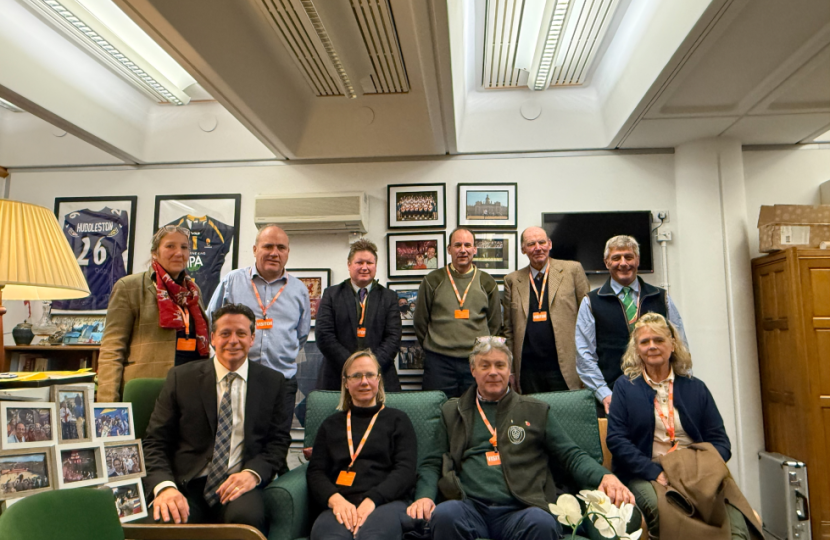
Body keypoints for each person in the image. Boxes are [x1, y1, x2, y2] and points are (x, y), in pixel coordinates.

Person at [406, 337, 634, 540]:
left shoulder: (535, 410)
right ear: (473, 370)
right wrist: (424, 496)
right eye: (485, 365)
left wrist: (605, 477)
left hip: (521, 508)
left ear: (509, 371)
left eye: (500, 365)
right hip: (470, 506)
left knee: (542, 523)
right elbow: (432, 463)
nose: (493, 372)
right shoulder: (452, 411)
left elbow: (571, 455)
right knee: (444, 515)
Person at [606, 313, 760, 539]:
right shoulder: (624, 387)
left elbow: (720, 442)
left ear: (673, 345)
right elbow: (617, 440)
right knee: (663, 515)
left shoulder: (696, 388)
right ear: (636, 349)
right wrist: (654, 472)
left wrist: (703, 471)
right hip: (649, 472)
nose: (652, 347)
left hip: (700, 472)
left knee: (736, 526)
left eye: (659, 340)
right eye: (645, 342)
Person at [142, 303, 292, 535]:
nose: (233, 340)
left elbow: (278, 442)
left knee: (246, 522)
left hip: (239, 483)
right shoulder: (181, 378)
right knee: (167, 521)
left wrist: (252, 474)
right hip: (186, 483)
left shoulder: (273, 383)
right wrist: (164, 487)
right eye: (225, 333)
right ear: (212, 338)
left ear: (252, 338)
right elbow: (155, 442)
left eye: (241, 333)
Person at [207, 224, 310, 435]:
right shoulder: (232, 282)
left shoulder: (299, 290)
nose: (274, 253)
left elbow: (301, 335)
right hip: (238, 378)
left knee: (277, 442)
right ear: (255, 250)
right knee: (237, 440)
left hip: (282, 381)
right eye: (268, 246)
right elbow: (211, 322)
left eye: (281, 247)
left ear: (287, 253)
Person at [306, 350, 417, 540]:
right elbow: (315, 472)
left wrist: (373, 499)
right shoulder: (330, 425)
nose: (364, 381)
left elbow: (405, 471)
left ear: (379, 379)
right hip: (341, 504)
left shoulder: (398, 420)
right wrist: (335, 500)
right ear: (346, 383)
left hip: (385, 503)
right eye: (356, 376)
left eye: (370, 375)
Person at [576, 235, 688, 415]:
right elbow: (584, 356)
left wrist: (683, 386)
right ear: (606, 262)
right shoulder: (591, 302)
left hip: (662, 395)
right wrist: (604, 394)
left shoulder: (661, 297)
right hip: (613, 398)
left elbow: (680, 345)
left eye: (628, 257)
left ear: (637, 260)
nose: (623, 263)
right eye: (616, 258)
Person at [97, 225, 210, 401]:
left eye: (184, 247)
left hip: (191, 390)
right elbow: (112, 348)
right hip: (146, 391)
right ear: (155, 253)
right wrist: (107, 403)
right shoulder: (129, 287)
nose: (179, 253)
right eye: (170, 246)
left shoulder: (193, 292)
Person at [414, 228, 501, 398]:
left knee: (476, 411)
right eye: (458, 245)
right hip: (439, 362)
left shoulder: (487, 282)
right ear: (449, 249)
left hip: (476, 361)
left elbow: (494, 324)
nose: (463, 250)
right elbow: (420, 322)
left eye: (467, 245)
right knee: (437, 412)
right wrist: (437, 344)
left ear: (475, 249)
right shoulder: (433, 280)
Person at [503, 227, 590, 394]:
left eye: (542, 242)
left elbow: (588, 319)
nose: (538, 248)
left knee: (565, 415)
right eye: (531, 244)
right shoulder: (512, 280)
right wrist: (511, 370)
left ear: (549, 244)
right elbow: (509, 330)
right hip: (528, 370)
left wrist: (587, 364)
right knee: (532, 417)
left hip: (564, 365)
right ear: (523, 249)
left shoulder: (572, 270)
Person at [316, 239, 402, 391]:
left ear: (375, 266)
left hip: (379, 377)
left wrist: (370, 367)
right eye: (359, 262)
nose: (364, 267)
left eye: (369, 263)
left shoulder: (389, 297)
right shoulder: (331, 295)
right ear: (349, 264)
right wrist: (352, 366)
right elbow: (324, 336)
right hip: (337, 376)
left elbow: (393, 338)